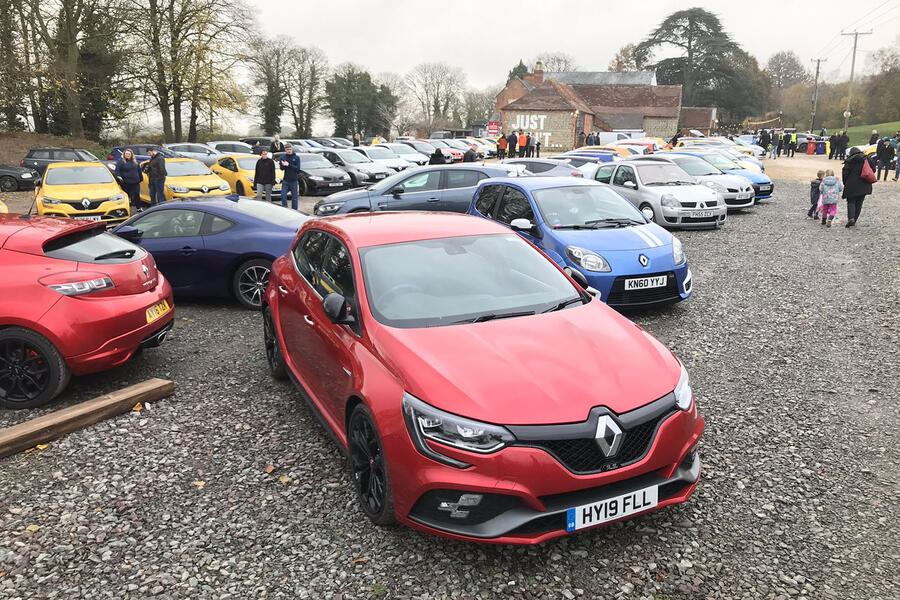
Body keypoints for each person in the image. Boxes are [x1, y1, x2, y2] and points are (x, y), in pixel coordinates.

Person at [842, 147, 874, 227]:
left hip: (851, 184)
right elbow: (873, 169)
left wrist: (845, 182)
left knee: (851, 201)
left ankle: (851, 218)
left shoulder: (849, 160)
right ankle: (855, 220)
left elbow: (845, 172)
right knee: (859, 203)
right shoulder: (867, 159)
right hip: (865, 183)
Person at [114, 148, 143, 213]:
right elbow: (117, 171)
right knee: (126, 197)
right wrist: (119, 178)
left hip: (135, 182)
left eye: (129, 154)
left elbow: (139, 171)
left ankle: (139, 208)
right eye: (126, 154)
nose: (128, 155)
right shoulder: (121, 162)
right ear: (124, 154)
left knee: (136, 195)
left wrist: (141, 178)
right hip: (126, 183)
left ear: (131, 155)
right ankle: (125, 210)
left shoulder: (135, 161)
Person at [279, 143, 301, 210]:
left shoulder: (296, 157)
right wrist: (283, 165)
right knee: (283, 196)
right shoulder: (283, 157)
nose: (289, 151)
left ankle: (295, 211)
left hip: (294, 180)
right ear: (285, 150)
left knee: (294, 198)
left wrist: (288, 165)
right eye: (288, 149)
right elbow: (281, 168)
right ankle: (285, 209)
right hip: (286, 180)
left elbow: (297, 169)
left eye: (290, 149)